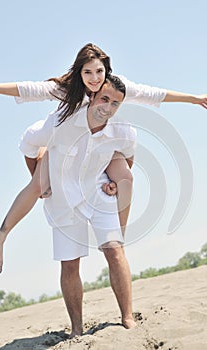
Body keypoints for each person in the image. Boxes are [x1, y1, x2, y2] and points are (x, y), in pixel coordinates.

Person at [0, 43, 207, 274]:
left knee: (126, 176)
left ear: (107, 70)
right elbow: (27, 89)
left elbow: (153, 94)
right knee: (38, 186)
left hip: (102, 142)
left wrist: (193, 99)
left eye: (99, 71)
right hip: (64, 141)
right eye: (87, 72)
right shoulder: (68, 89)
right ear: (79, 72)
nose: (94, 78)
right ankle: (1, 236)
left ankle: (120, 236)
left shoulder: (117, 87)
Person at [19, 75, 136, 336]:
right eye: (104, 99)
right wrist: (39, 182)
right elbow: (28, 142)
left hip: (98, 192)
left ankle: (128, 317)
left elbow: (128, 160)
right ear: (91, 96)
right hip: (64, 197)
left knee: (115, 251)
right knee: (69, 263)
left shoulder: (124, 131)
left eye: (116, 103)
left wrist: (115, 182)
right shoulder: (63, 121)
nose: (108, 107)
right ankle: (76, 328)